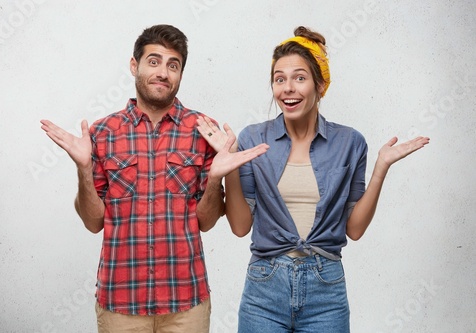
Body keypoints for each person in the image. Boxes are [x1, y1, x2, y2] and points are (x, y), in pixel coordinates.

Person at [196, 26, 429, 332]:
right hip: (264, 287)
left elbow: (355, 229)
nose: (287, 88)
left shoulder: (351, 142)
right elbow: (240, 227)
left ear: (320, 85)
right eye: (280, 79)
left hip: (326, 289)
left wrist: (381, 167)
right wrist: (231, 164)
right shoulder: (252, 137)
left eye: (299, 78)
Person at [40, 24, 267, 333]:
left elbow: (207, 221)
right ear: (135, 66)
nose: (163, 72)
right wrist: (83, 168)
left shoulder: (204, 131)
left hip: (186, 303)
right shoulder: (103, 133)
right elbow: (94, 222)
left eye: (173, 65)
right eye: (154, 61)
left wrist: (216, 178)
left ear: (181, 74)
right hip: (120, 303)